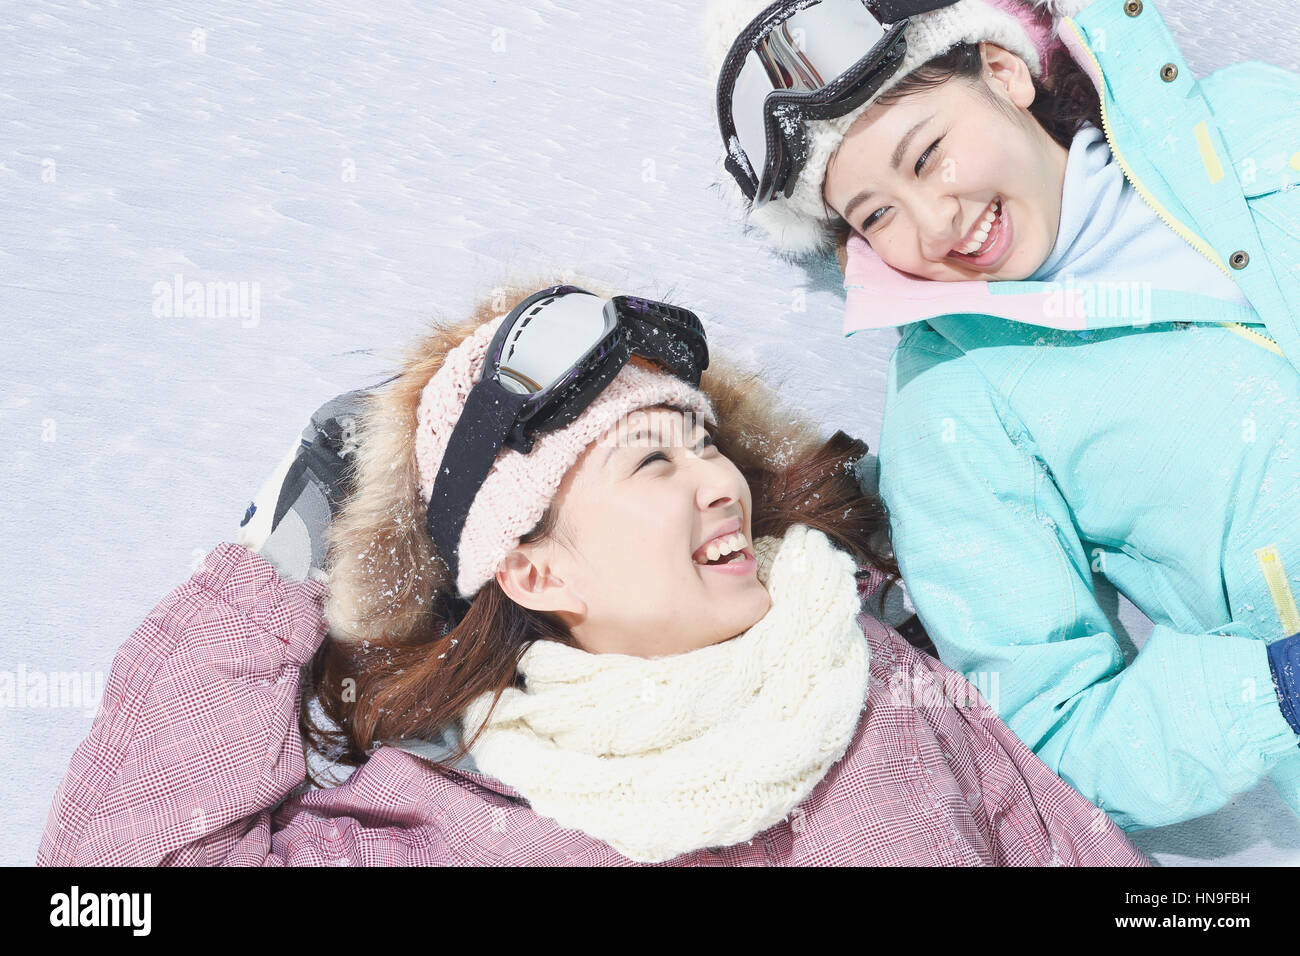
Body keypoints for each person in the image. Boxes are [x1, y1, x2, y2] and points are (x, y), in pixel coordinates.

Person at [37, 282, 1147, 866]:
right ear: (533, 568)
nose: (717, 482)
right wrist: (271, 580)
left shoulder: (860, 686)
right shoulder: (453, 812)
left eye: (706, 444)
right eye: (653, 459)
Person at [707, 0, 1300, 830]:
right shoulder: (953, 409)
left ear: (1004, 71)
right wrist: (1275, 688)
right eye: (875, 214)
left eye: (928, 155)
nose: (933, 224)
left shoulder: (1255, 124)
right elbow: (1057, 730)